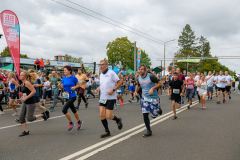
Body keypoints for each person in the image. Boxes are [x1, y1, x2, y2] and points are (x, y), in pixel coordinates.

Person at [95, 60, 123, 138]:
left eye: (102, 64)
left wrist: (113, 90)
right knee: (101, 114)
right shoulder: (101, 75)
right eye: (100, 65)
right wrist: (97, 89)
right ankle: (107, 131)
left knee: (109, 116)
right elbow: (102, 85)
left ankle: (117, 120)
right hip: (102, 97)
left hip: (110, 98)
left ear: (106, 65)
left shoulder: (111, 73)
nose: (101, 66)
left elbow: (119, 83)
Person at [134, 64, 162, 137]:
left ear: (145, 70)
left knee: (154, 116)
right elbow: (138, 85)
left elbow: (160, 83)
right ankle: (149, 130)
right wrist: (135, 91)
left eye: (142, 69)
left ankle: (158, 108)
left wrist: (152, 88)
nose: (140, 71)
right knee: (145, 114)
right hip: (145, 98)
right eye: (139, 69)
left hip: (153, 98)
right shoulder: (139, 77)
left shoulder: (151, 76)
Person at [17, 71, 48, 137]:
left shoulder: (27, 83)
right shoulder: (22, 84)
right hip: (24, 102)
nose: (20, 76)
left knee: (29, 119)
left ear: (25, 77)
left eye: (22, 75)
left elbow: (33, 91)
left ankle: (42, 114)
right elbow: (26, 93)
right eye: (20, 75)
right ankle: (26, 131)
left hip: (30, 103)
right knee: (21, 117)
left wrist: (26, 98)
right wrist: (21, 98)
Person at [58, 65, 83, 132]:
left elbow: (78, 85)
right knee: (73, 109)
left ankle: (71, 123)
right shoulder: (63, 78)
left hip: (72, 96)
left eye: (65, 70)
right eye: (64, 70)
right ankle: (79, 121)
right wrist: (60, 86)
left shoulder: (73, 78)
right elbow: (63, 87)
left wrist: (74, 87)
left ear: (69, 71)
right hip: (66, 96)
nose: (64, 71)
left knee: (64, 110)